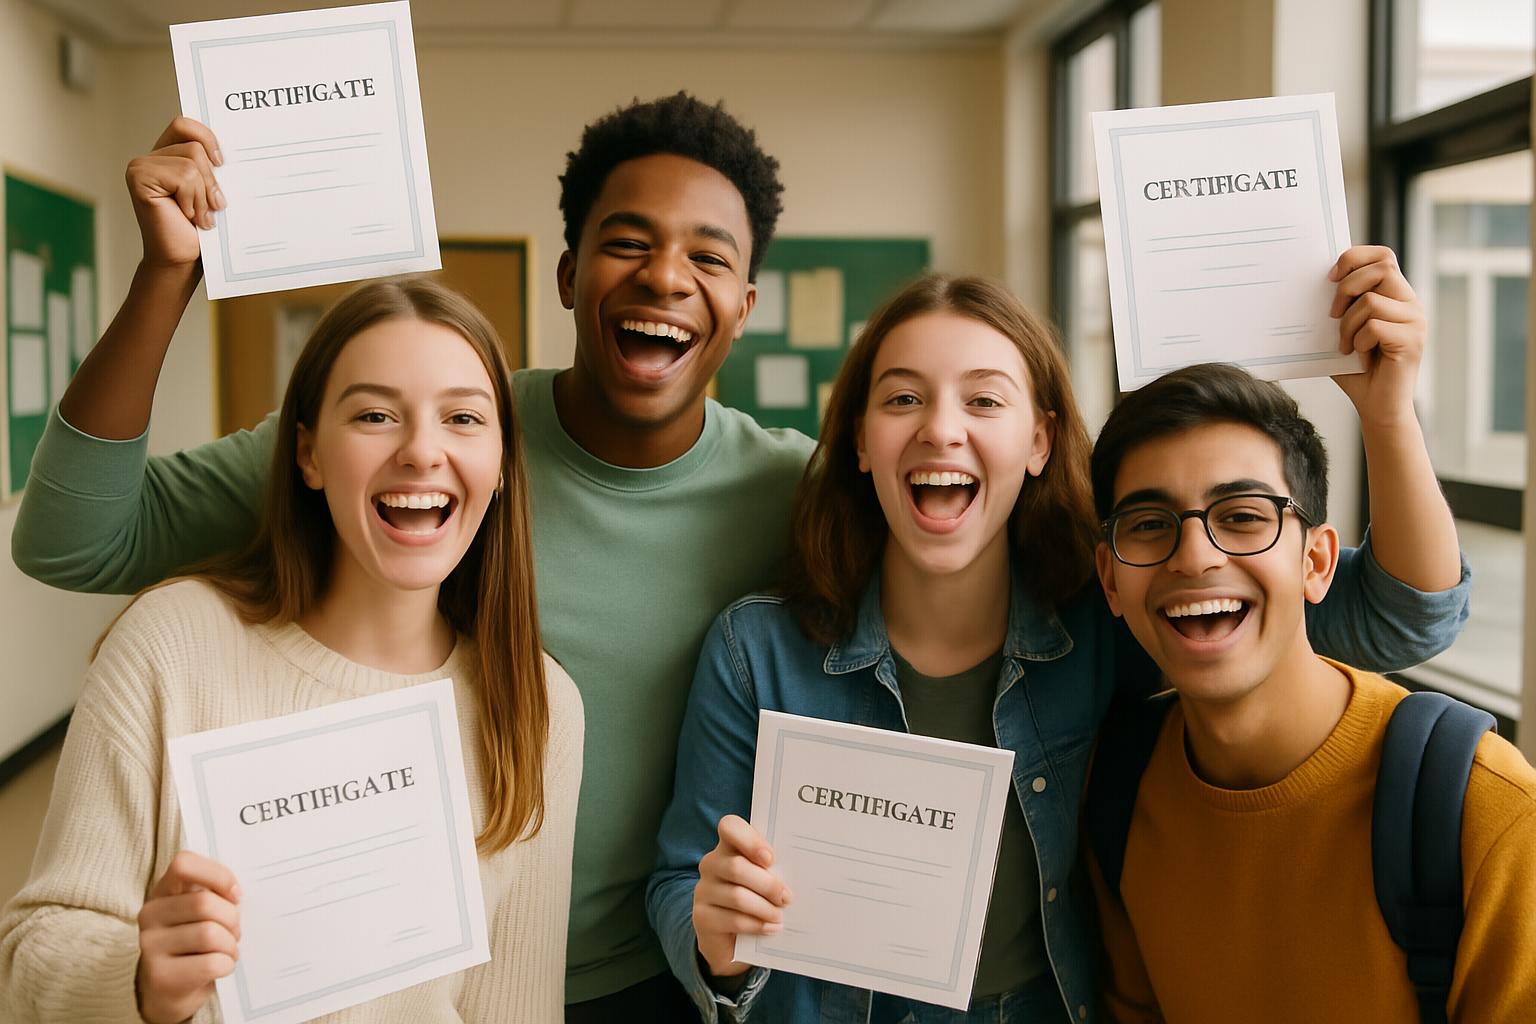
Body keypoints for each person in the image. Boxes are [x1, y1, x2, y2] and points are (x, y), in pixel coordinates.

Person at [10, 94, 808, 1018]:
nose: (666, 276)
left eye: (707, 256)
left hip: (660, 974)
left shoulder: (798, 491)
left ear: (745, 306)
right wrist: (165, 277)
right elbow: (71, 540)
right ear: (568, 272)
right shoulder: (435, 417)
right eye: (627, 242)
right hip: (381, 978)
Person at [647, 258, 1471, 1023]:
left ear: (1039, 440)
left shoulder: (1110, 609)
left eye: (984, 400)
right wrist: (716, 938)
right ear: (861, 439)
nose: (941, 430)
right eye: (902, 399)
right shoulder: (754, 649)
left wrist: (1387, 409)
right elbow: (680, 885)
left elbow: (1407, 616)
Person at [0, 275, 583, 1023]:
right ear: (307, 454)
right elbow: (32, 958)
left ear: (501, 465)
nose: (421, 451)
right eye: (375, 414)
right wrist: (138, 982)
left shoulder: (537, 705)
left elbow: (516, 1009)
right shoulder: (172, 644)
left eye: (463, 418)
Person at [1086, 361, 1536, 1023]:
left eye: (1241, 516)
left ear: (1317, 562)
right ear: (1109, 580)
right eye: (1149, 524)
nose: (1193, 556)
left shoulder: (1484, 806)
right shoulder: (1119, 785)